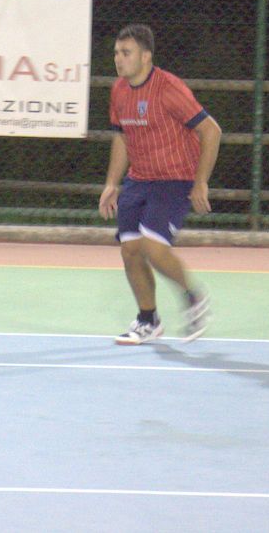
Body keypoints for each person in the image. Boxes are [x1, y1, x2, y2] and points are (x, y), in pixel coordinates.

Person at [99, 24, 221, 344]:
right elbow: (122, 137)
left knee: (153, 246)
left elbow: (211, 131)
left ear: (146, 56)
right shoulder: (118, 90)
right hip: (138, 179)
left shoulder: (169, 88)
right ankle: (148, 320)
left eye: (126, 53)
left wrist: (201, 182)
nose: (118, 59)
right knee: (130, 250)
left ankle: (193, 297)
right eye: (116, 53)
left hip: (175, 179)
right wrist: (112, 183)